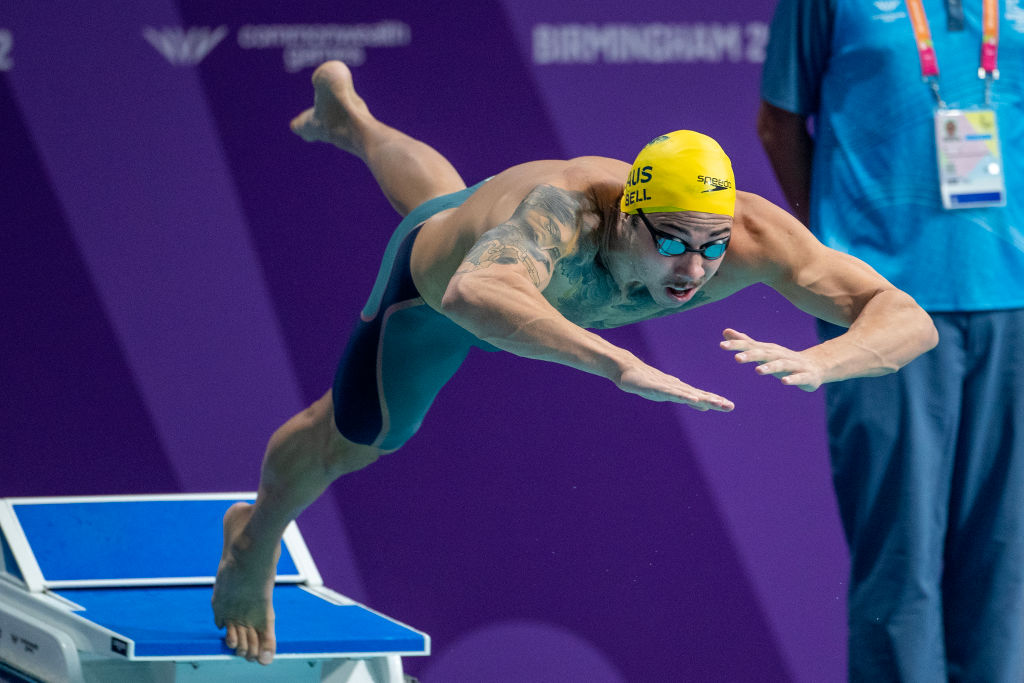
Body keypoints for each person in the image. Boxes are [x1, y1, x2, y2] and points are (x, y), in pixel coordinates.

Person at [212, 60, 937, 666]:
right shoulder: (566, 211)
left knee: (446, 194)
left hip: (490, 243)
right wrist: (619, 364)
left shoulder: (750, 236)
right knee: (358, 435)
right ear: (627, 213)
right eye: (675, 241)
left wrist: (827, 360)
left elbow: (907, 318)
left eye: (711, 245)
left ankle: (353, 122)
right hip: (433, 295)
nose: (695, 267)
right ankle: (254, 537)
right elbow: (478, 289)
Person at [758, 1, 1024, 680]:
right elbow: (779, 123)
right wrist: (838, 257)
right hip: (885, 303)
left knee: (1007, 562)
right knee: (899, 562)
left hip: (1014, 298)